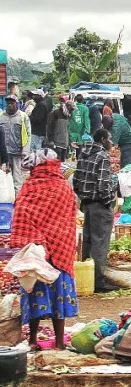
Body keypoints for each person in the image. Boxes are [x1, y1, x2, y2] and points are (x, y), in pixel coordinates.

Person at [11, 149, 79, 351]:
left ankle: (32, 340)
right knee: (59, 291)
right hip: (61, 250)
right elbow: (69, 217)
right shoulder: (64, 187)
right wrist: (52, 240)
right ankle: (59, 342)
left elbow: (21, 214)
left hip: (36, 254)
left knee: (35, 293)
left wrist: (38, 240)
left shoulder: (29, 187)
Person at [73, 129, 117, 293]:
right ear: (104, 139)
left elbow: (76, 180)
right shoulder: (102, 156)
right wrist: (107, 203)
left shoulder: (83, 154)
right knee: (100, 243)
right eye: (110, 139)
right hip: (100, 204)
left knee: (88, 240)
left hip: (87, 203)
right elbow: (103, 184)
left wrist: (83, 197)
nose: (112, 143)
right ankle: (98, 281)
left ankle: (87, 276)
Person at [0, 95, 31, 191]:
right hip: (3, 154)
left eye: (12, 103)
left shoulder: (23, 117)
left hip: (17, 153)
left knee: (17, 179)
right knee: (3, 178)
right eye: (8, 103)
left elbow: (28, 134)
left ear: (16, 104)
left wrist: (25, 151)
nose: (9, 105)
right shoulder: (1, 116)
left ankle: (18, 201)